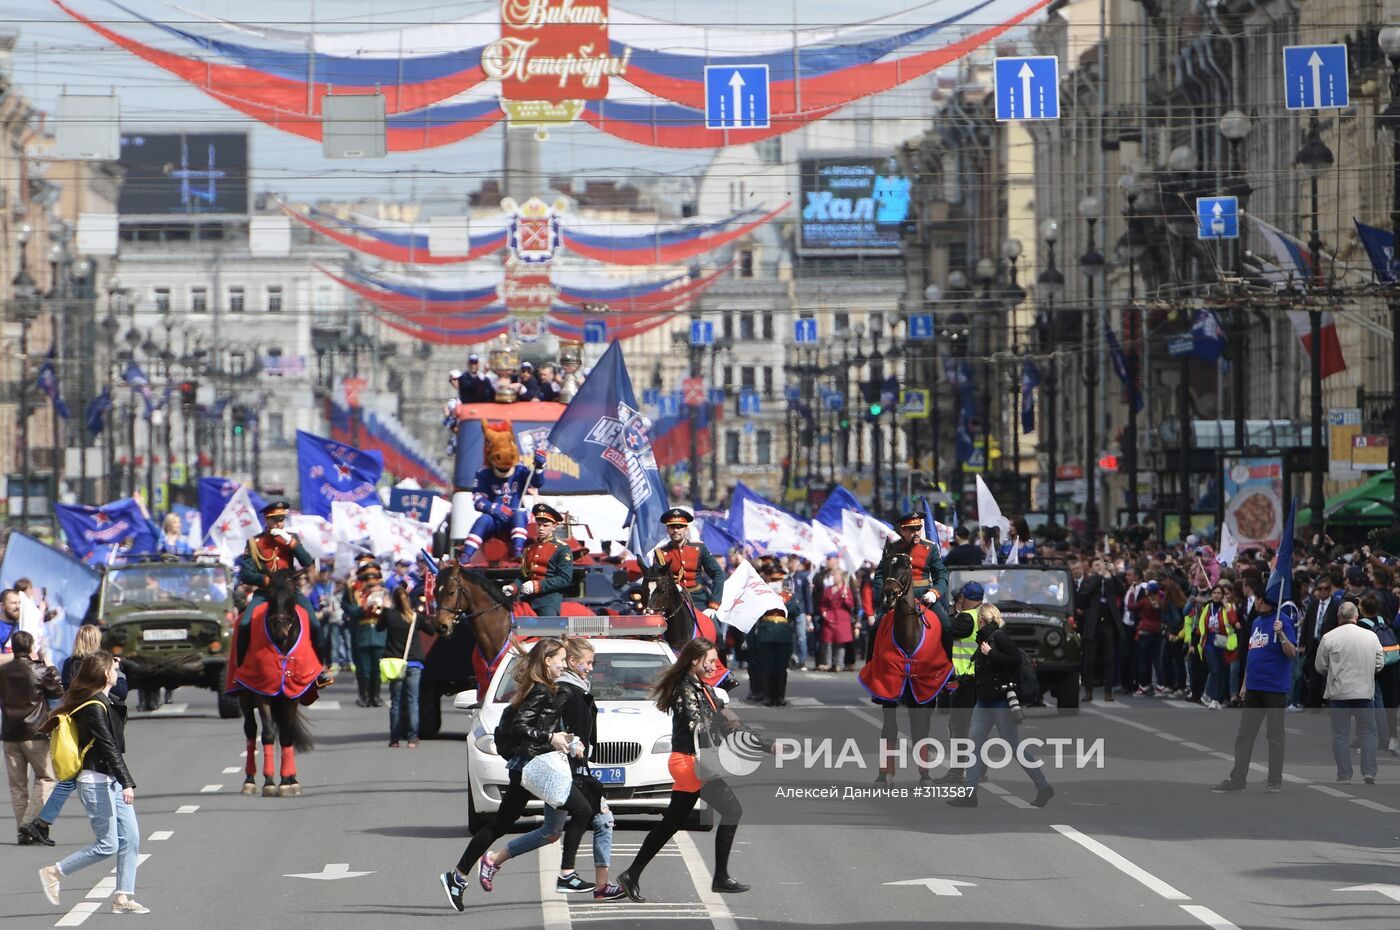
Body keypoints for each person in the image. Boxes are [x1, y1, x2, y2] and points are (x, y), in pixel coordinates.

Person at [441, 638, 585, 912]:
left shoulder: (544, 688)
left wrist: (564, 738)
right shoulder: (540, 690)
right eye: (561, 659)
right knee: (583, 810)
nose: (564, 664)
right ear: (547, 661)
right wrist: (550, 736)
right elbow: (522, 726)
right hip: (533, 765)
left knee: (502, 824)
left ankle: (457, 876)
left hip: (528, 765)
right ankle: (567, 874)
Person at [478, 638, 625, 901]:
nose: (591, 667)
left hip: (573, 766)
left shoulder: (577, 688)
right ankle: (582, 879)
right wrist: (565, 741)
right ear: (572, 662)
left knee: (551, 831)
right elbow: (543, 724)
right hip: (564, 769)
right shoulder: (565, 691)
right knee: (600, 818)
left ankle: (493, 859)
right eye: (588, 662)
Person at [616, 638, 749, 902]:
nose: (714, 666)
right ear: (694, 661)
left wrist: (769, 746)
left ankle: (631, 874)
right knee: (732, 810)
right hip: (691, 763)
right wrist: (723, 718)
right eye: (710, 661)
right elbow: (695, 723)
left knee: (670, 823)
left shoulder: (703, 688)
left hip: (690, 762)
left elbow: (720, 718)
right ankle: (721, 877)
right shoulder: (684, 688)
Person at [37, 651, 147, 914]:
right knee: (108, 844)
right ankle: (54, 872)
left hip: (111, 780)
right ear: (105, 674)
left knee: (131, 837)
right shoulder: (92, 708)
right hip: (95, 781)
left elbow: (122, 691)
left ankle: (122, 896)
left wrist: (122, 782)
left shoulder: (106, 700)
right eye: (113, 667)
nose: (117, 671)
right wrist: (127, 782)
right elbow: (109, 747)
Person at [947, 603, 1054, 808]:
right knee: (974, 746)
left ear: (984, 620)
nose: (977, 622)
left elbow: (1014, 660)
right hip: (983, 701)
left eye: (979, 619)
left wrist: (990, 654)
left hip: (1000, 702)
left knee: (1014, 747)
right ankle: (970, 794)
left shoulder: (998, 637)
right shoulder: (983, 640)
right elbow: (985, 672)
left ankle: (1043, 786)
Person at [22, 627, 118, 847]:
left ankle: (42, 823)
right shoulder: (97, 665)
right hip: (89, 723)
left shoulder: (69, 663)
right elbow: (118, 691)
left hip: (71, 721)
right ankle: (41, 823)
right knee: (77, 775)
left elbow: (63, 692)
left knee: (71, 776)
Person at [1213, 582, 1297, 794]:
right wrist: (1244, 683)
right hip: (1254, 687)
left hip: (1275, 688)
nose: (1255, 602)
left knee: (1275, 736)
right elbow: (1252, 652)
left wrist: (1282, 635)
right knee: (1245, 734)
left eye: (1258, 599)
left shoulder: (1283, 621)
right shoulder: (1257, 621)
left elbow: (1292, 652)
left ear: (1265, 600)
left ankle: (1274, 780)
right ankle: (1237, 779)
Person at [1, 630, 63, 844]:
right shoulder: (39, 670)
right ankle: (29, 824)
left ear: (12, 648)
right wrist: (50, 665)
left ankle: (22, 831)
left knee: (17, 785)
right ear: (31, 648)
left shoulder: (3, 671)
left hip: (9, 733)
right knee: (46, 777)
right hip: (35, 732)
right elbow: (57, 692)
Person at [458, 421, 547, 564]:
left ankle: (517, 550)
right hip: (494, 518)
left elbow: (537, 483)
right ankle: (466, 555)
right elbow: (478, 500)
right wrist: (494, 508)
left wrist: (539, 468)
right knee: (483, 520)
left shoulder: (520, 471)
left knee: (520, 514)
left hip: (514, 515)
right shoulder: (484, 474)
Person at [1316, 600, 1384, 784]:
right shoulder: (1370, 636)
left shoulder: (1329, 637)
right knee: (1368, 732)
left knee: (1340, 734)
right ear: (1357, 616)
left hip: (1339, 692)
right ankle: (1369, 772)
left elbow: (1320, 666)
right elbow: (1379, 663)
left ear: (1339, 618)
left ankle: (1344, 774)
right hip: (1364, 691)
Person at [238, 499, 316, 624]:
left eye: (281, 520)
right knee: (245, 623)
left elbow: (306, 561)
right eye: (275, 520)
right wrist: (265, 580)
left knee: (314, 623)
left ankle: (317, 644)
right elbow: (246, 574)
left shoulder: (291, 538)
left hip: (289, 591)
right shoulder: (254, 542)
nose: (279, 524)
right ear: (266, 519)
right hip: (266, 592)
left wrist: (291, 542)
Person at [936, 582, 983, 785]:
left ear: (963, 598)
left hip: (964, 680)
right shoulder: (985, 615)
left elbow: (946, 632)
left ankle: (958, 772)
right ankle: (979, 770)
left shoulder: (965, 618)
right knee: (975, 728)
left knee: (958, 728)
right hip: (980, 680)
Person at [502, 504, 575, 618]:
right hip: (526, 598)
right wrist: (513, 587)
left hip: (547, 601)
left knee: (548, 631)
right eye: (539, 524)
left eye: (545, 525)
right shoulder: (529, 549)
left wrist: (536, 586)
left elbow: (564, 579)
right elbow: (523, 576)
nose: (541, 528)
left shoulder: (562, 549)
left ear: (554, 526)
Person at [872, 512, 950, 618]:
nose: (916, 533)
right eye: (912, 530)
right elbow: (881, 574)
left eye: (918, 528)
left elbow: (941, 574)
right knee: (876, 628)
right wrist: (882, 593)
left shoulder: (931, 548)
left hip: (924, 595)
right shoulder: (893, 548)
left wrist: (934, 593)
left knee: (947, 627)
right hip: (896, 596)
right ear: (903, 531)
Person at [377, 585, 426, 748]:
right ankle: (412, 738)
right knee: (413, 701)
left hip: (395, 664)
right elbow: (432, 631)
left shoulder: (390, 616)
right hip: (413, 663)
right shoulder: (415, 617)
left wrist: (384, 609)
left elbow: (378, 628)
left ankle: (394, 739)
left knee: (396, 702)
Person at [1077, 557, 1123, 702]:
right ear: (1091, 567)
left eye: (1101, 565)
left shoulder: (1110, 581)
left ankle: (1108, 691)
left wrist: (1113, 574)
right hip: (1093, 624)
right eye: (1096, 565)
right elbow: (1084, 597)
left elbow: (1121, 590)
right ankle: (1088, 691)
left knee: (1109, 659)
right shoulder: (1088, 581)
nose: (1099, 567)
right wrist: (1098, 576)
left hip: (1108, 623)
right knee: (1089, 659)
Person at [345, 563, 389, 708]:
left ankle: (375, 696)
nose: (371, 582)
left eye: (374, 578)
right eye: (367, 579)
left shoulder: (384, 593)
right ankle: (363, 696)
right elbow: (349, 610)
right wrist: (362, 608)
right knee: (364, 669)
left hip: (378, 632)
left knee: (376, 670)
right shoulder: (356, 592)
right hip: (362, 633)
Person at [1189, 583, 1239, 709]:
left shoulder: (1228, 607)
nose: (1216, 596)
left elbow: (1234, 623)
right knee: (1214, 670)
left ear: (1223, 596)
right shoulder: (1207, 607)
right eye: (1214, 593)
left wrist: (1227, 608)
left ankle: (1219, 699)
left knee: (1222, 671)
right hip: (1209, 643)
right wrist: (1194, 642)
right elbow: (1200, 626)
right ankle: (1213, 698)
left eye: (1219, 593)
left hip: (1223, 643)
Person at [751, 561, 794, 707]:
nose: (776, 582)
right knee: (767, 667)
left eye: (778, 580)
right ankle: (768, 696)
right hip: (766, 633)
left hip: (783, 634)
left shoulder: (788, 594)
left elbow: (795, 610)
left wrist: (785, 599)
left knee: (781, 668)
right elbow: (755, 610)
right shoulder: (762, 594)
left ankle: (780, 696)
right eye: (773, 580)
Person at [1299, 571, 1342, 708]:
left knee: (1330, 674)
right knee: (1314, 674)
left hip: (1329, 644)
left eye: (1326, 588)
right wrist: (1302, 643)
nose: (1323, 591)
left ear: (1330, 589)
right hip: (1314, 644)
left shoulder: (1336, 605)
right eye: (1320, 588)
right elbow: (1307, 624)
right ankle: (1314, 702)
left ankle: (1329, 701)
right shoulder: (1313, 605)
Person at [816, 564, 856, 672]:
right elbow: (823, 603)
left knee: (840, 642)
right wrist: (823, 612)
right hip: (830, 617)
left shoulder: (846, 590)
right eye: (833, 576)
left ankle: (839, 663)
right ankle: (827, 663)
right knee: (827, 641)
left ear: (841, 576)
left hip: (842, 618)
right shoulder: (828, 589)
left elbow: (851, 605)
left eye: (836, 575)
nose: (834, 578)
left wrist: (846, 598)